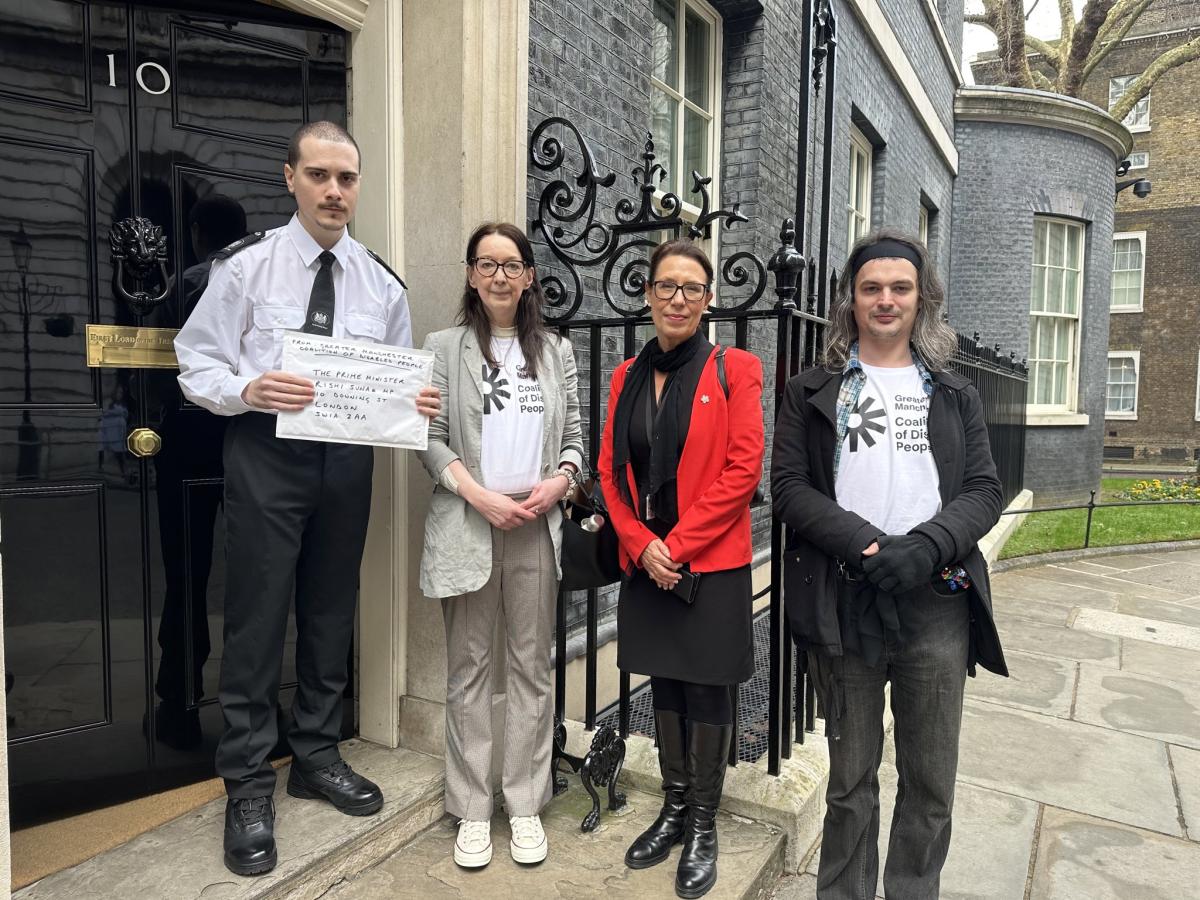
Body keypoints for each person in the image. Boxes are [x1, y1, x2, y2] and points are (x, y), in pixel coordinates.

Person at [174, 121, 441, 877]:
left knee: (330, 611)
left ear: (359, 186)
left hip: (348, 462)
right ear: (290, 176)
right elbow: (195, 361)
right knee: (258, 619)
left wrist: (411, 404)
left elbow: (392, 380)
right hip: (266, 452)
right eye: (320, 175)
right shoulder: (247, 269)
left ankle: (318, 754)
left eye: (347, 179)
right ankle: (249, 781)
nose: (334, 192)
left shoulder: (382, 285)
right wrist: (246, 387)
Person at [770, 229, 1007, 900]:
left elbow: (984, 490)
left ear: (921, 298)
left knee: (930, 784)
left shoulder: (954, 393)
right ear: (851, 299)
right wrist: (870, 547)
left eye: (899, 287)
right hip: (847, 605)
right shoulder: (811, 390)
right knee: (848, 785)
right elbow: (788, 488)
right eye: (871, 287)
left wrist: (926, 547)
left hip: (936, 605)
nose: (885, 300)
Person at [598, 238, 764, 900]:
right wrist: (641, 545)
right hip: (648, 561)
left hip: (710, 563)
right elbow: (612, 472)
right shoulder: (624, 376)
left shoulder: (736, 369)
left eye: (691, 288)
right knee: (664, 684)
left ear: (708, 299)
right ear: (647, 294)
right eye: (666, 286)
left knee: (707, 689)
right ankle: (671, 807)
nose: (677, 299)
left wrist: (679, 545)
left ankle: (702, 822)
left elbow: (742, 469)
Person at [416, 222, 584, 870]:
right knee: (469, 672)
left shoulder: (556, 352)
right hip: (469, 522)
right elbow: (428, 438)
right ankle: (472, 811)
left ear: (530, 275)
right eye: (486, 264)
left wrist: (560, 482)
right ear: (469, 274)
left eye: (511, 264)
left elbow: (574, 436)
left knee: (530, 670)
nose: (499, 275)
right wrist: (476, 493)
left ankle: (524, 802)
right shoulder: (442, 347)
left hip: (536, 527)